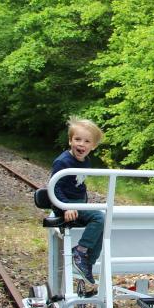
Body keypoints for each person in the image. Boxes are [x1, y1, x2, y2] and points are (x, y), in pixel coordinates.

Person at [50, 117, 105, 285]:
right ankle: (80, 252)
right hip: (64, 204)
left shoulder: (86, 162)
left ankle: (87, 263)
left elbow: (79, 185)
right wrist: (65, 207)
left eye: (87, 141)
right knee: (99, 217)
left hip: (77, 204)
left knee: (103, 223)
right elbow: (56, 187)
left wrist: (84, 202)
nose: (81, 144)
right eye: (77, 139)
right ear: (70, 140)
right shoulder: (63, 162)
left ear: (93, 146)